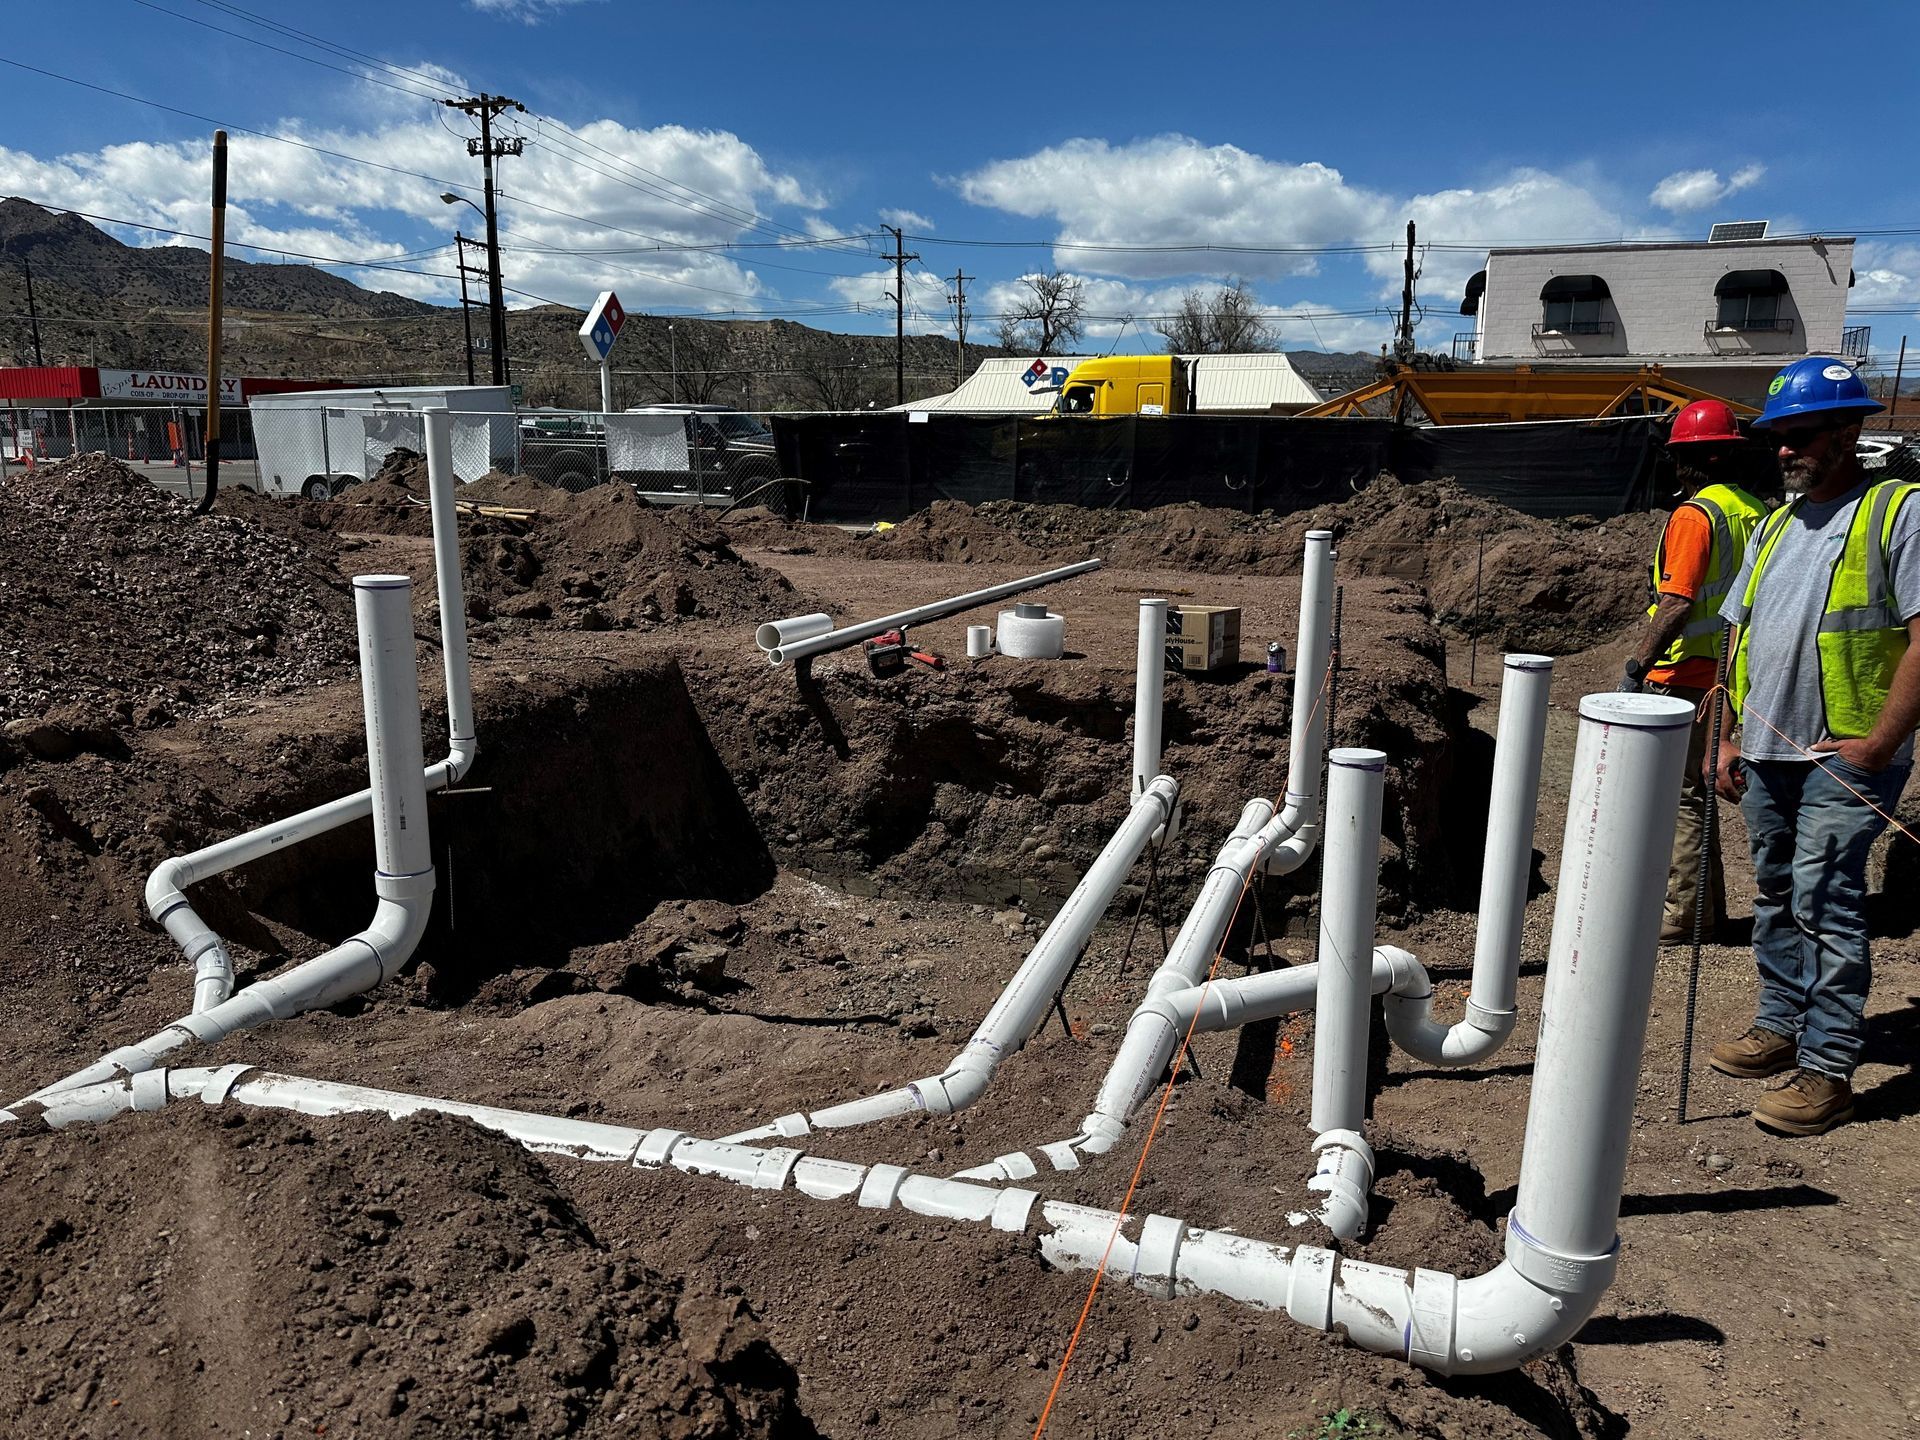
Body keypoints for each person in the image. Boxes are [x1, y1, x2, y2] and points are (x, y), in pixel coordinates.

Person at [1708, 356, 1915, 1136]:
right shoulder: (1770, 527)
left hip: (1847, 753)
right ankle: (1779, 1022)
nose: (1786, 450)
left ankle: (1828, 1068)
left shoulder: (1897, 513)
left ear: (1848, 430)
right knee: (1775, 895)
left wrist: (1879, 744)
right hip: (1766, 749)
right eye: (1779, 438)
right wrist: (1726, 736)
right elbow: (1739, 638)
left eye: (1801, 435)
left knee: (1825, 899)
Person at [1619, 399, 1768, 942]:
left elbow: (1677, 602)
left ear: (1685, 459)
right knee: (1703, 791)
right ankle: (1709, 905)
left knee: (1683, 795)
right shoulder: (1758, 511)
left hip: (1685, 677)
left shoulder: (1695, 515)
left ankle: (1687, 914)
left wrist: (1639, 664)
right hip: (1734, 675)